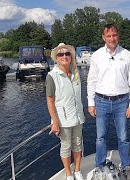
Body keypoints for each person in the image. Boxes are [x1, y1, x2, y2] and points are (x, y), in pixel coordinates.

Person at [87, 24, 130, 180]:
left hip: (121, 101)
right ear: (103, 37)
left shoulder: (127, 55)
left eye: (114, 35)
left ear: (118, 36)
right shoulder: (96, 56)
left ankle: (126, 167)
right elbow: (91, 80)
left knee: (123, 137)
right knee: (100, 137)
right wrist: (91, 102)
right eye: (108, 36)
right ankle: (99, 166)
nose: (112, 38)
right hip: (101, 100)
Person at [46, 43, 85, 180]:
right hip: (63, 120)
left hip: (78, 117)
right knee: (66, 147)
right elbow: (50, 100)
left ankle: (78, 171)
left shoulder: (75, 73)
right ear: (56, 58)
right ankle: (69, 174)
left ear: (71, 56)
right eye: (60, 54)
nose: (64, 56)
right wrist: (55, 122)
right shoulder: (52, 76)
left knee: (78, 144)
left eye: (67, 53)